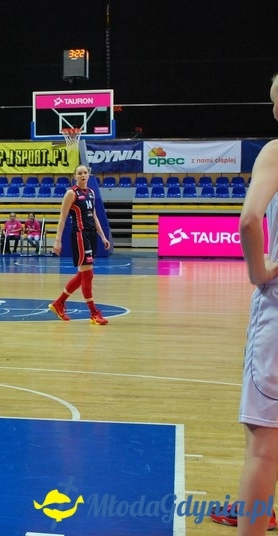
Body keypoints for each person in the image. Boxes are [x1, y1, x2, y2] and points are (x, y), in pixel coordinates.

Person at [209, 73, 278, 535]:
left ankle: (256, 515)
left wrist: (260, 273)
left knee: (264, 445)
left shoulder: (275, 152)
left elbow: (249, 219)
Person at [48, 164, 111, 325]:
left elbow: (94, 216)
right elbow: (62, 219)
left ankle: (59, 303)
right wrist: (57, 240)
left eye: (85, 173)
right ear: (75, 176)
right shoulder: (71, 193)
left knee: (83, 274)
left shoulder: (90, 192)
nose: (83, 175)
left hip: (91, 235)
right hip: (80, 235)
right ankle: (93, 313)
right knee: (88, 274)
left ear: (88, 175)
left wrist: (103, 237)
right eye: (79, 173)